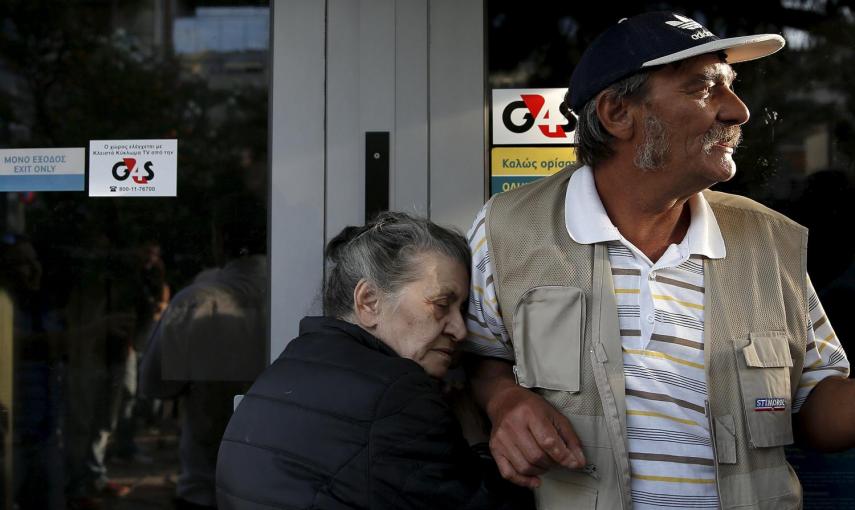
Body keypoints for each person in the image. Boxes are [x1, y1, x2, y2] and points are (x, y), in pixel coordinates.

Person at [465, 12, 852, 510]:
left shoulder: (768, 241)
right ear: (617, 114)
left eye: (730, 87)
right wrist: (503, 401)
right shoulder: (509, 229)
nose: (739, 111)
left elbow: (815, 404)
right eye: (705, 88)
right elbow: (477, 359)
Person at [216, 212, 533, 510]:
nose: (460, 330)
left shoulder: (282, 370)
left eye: (462, 309)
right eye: (441, 304)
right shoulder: (397, 394)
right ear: (369, 301)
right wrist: (476, 437)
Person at [139, 195, 267, 509]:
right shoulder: (302, 295)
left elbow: (154, 385)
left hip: (204, 487)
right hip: (277, 487)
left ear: (219, 239)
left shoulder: (195, 302)